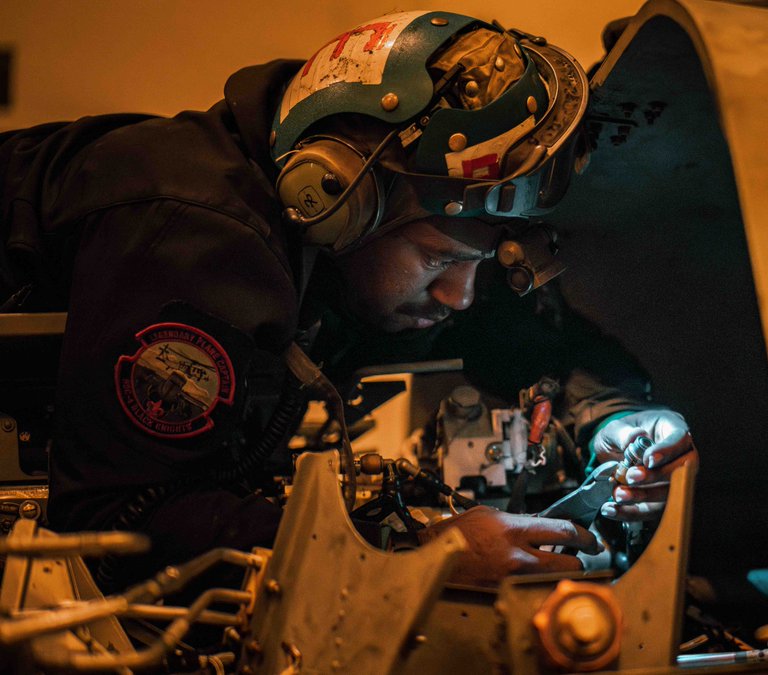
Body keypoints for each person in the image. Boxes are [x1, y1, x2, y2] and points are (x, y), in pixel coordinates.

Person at [0, 10, 696, 589]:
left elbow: (528, 348)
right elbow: (122, 523)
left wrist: (620, 424)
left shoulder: (363, 252)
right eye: (438, 260)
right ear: (338, 200)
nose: (460, 296)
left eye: (478, 262)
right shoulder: (194, 235)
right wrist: (415, 558)